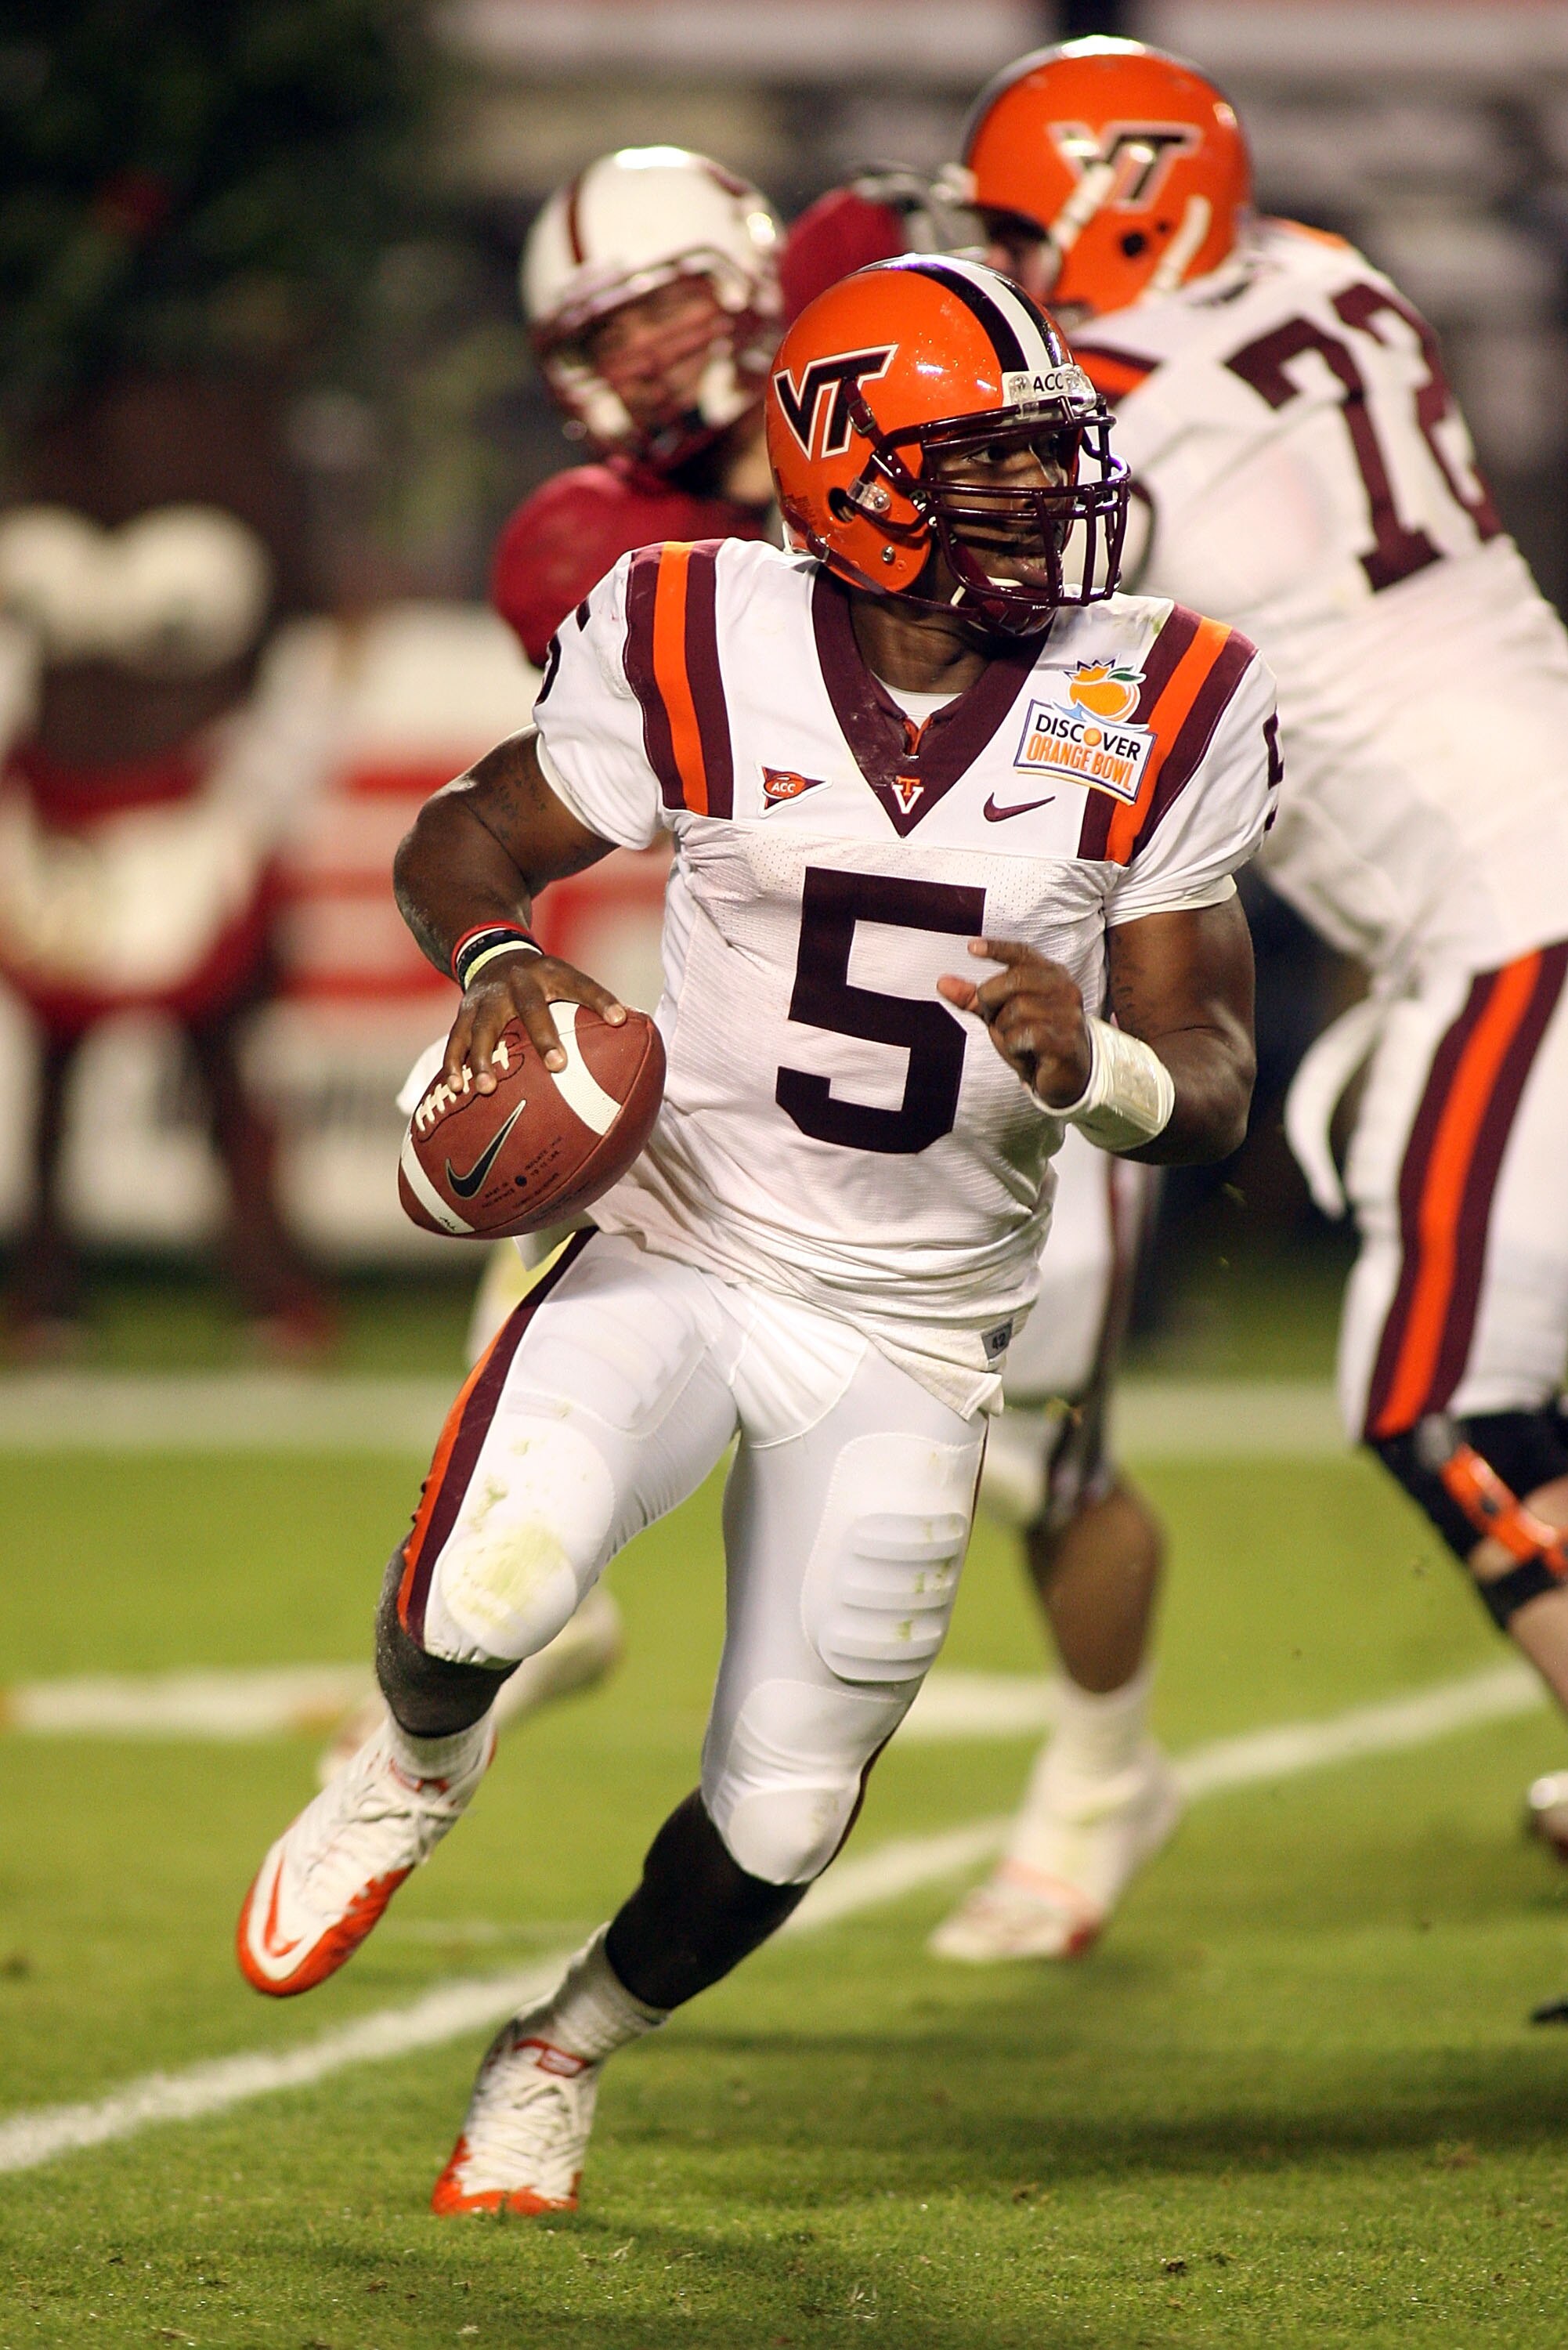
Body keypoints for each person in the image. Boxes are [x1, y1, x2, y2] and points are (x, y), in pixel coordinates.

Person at [234, 254, 1275, 2215]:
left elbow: (1210, 1072)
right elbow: (468, 834)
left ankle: (558, 2049)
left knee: (786, 1811)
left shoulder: (1163, 689)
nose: (1045, 501)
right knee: (477, 1605)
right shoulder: (697, 628)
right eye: (986, 465)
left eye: (1046, 457)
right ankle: (416, 1766)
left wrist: (1103, 1068)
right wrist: (499, 961)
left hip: (916, 1327)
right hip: (683, 1241)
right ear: (851, 481)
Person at [477, 150, 1188, 1965]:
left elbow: (1098, 582)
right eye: (603, 335)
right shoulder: (596, 547)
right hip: (792, 1017)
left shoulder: (944, 397)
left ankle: (1104, 1772)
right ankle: (517, 1581)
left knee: (1055, 1458)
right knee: (607, 1288)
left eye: (662, 304)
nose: (644, 356)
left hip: (1013, 1014)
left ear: (747, 282)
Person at [927, 36, 1568, 1919]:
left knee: (1437, 1393)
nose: (1009, 265)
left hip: (1511, 919)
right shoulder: (1324, 273)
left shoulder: (1117, 422)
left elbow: (1008, 621)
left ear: (1123, 215)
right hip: (1521, 853)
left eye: (1020, 231)